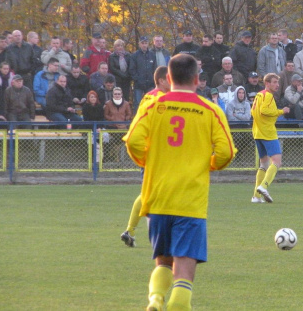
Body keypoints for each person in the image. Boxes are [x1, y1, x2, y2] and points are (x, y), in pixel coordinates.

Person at [124, 54, 236, 311]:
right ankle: (176, 304)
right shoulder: (210, 110)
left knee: (163, 261)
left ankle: (154, 300)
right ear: (197, 79)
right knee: (184, 271)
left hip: (158, 197)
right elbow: (227, 152)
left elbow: (132, 141)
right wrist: (208, 165)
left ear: (169, 78)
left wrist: (147, 162)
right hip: (190, 201)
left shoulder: (153, 105)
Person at [120, 66, 171, 248]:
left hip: (149, 151)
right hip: (157, 154)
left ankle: (130, 231)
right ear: (162, 80)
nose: (172, 82)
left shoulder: (148, 96)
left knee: (148, 194)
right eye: (170, 79)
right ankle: (157, 239)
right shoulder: (160, 99)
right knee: (153, 196)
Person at [251, 73, 291, 203]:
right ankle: (264, 186)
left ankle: (256, 197)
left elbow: (253, 112)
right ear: (267, 83)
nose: (277, 85)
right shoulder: (268, 95)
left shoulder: (259, 95)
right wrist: (281, 111)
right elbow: (264, 111)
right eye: (274, 82)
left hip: (257, 132)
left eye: (277, 82)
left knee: (263, 163)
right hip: (268, 133)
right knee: (277, 162)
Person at [129, 36, 157, 113]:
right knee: (137, 103)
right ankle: (137, 120)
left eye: (146, 43)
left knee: (151, 103)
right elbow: (132, 69)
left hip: (150, 84)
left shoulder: (152, 55)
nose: (144, 45)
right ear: (139, 44)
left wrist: (153, 80)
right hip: (138, 84)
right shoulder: (135, 55)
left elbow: (155, 69)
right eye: (142, 43)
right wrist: (137, 79)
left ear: (148, 44)